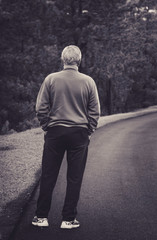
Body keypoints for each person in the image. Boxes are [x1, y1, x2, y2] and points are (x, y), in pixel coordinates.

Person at [32, 45, 100, 229]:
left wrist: (46, 126)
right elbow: (95, 111)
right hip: (79, 133)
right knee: (74, 177)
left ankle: (41, 217)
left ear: (63, 60)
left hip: (55, 132)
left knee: (48, 174)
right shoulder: (88, 81)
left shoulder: (51, 79)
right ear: (79, 60)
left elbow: (41, 108)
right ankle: (68, 219)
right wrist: (89, 129)